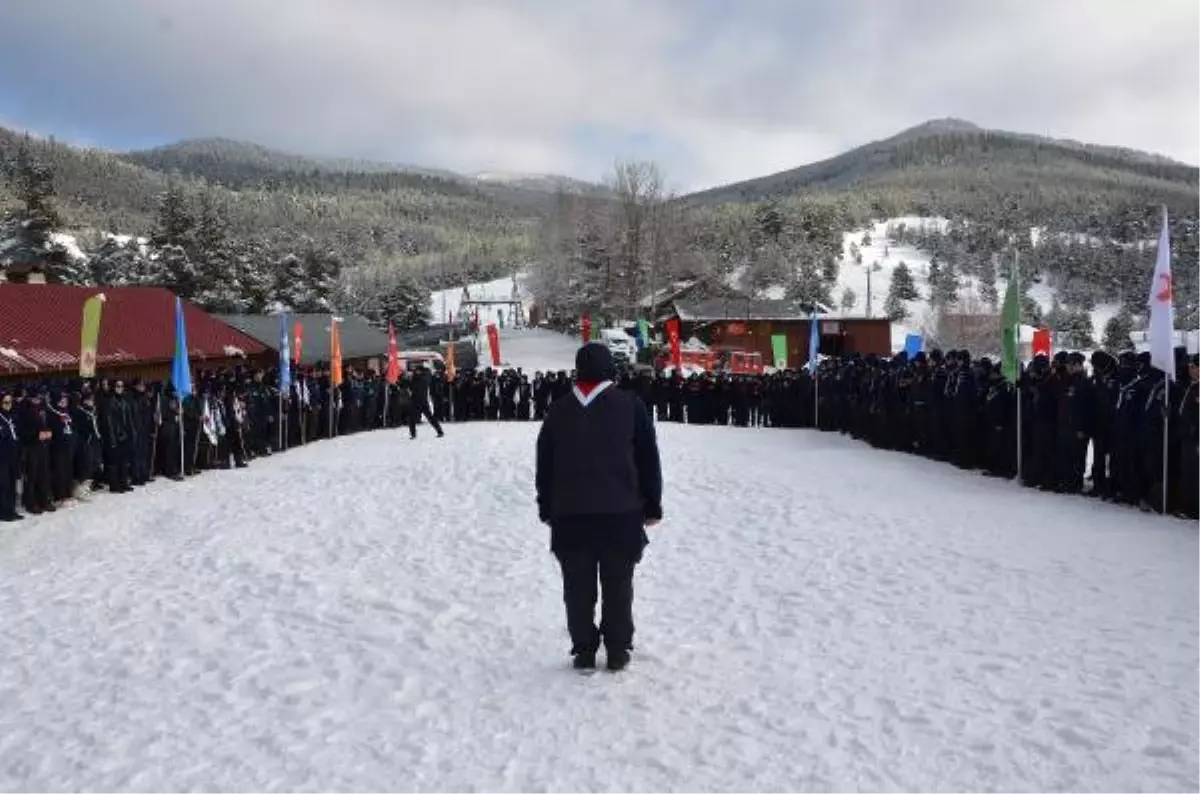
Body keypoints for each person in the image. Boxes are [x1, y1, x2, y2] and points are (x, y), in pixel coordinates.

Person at [536, 343, 662, 672]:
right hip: (620, 512)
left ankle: (584, 648)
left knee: (577, 587)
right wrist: (652, 504)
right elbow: (648, 459)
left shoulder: (559, 409)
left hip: (570, 513)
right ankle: (618, 649)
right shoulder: (630, 405)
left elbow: (544, 464)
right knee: (618, 585)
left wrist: (546, 506)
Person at [408, 367, 444, 440]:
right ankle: (413, 434)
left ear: (421, 371)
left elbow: (415, 386)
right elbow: (411, 387)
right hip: (416, 401)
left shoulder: (423, 378)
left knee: (430, 418)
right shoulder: (420, 377)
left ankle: (440, 431)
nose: (416, 372)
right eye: (416, 371)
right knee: (412, 419)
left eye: (417, 371)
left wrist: (412, 378)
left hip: (422, 401)